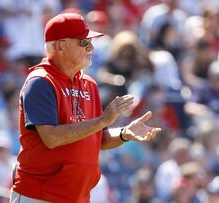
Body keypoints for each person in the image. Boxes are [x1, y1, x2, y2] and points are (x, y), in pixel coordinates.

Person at [10, 12, 162, 203]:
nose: (90, 47)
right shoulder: (40, 82)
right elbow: (51, 138)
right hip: (39, 195)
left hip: (77, 197)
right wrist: (103, 120)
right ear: (59, 46)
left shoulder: (89, 84)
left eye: (90, 41)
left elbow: (98, 137)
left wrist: (124, 133)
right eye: (82, 42)